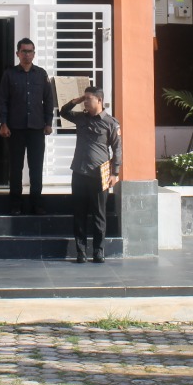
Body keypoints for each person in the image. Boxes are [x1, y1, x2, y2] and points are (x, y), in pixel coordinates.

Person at [59, 86, 121, 263]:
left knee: (99, 215)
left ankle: (98, 251)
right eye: (84, 99)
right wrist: (76, 101)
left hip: (99, 174)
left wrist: (115, 173)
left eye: (89, 99)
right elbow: (64, 112)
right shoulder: (80, 118)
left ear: (99, 101)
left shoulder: (111, 123)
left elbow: (118, 150)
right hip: (79, 171)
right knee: (79, 213)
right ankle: (81, 252)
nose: (85, 102)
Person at [0, 38, 54, 215]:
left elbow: (49, 100)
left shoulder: (41, 74)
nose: (27, 55)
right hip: (15, 128)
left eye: (30, 51)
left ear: (34, 54)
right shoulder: (9, 74)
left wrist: (49, 122)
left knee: (36, 167)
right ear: (17, 54)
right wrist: (3, 123)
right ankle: (15, 204)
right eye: (24, 51)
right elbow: (3, 100)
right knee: (16, 168)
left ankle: (37, 203)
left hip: (37, 127)